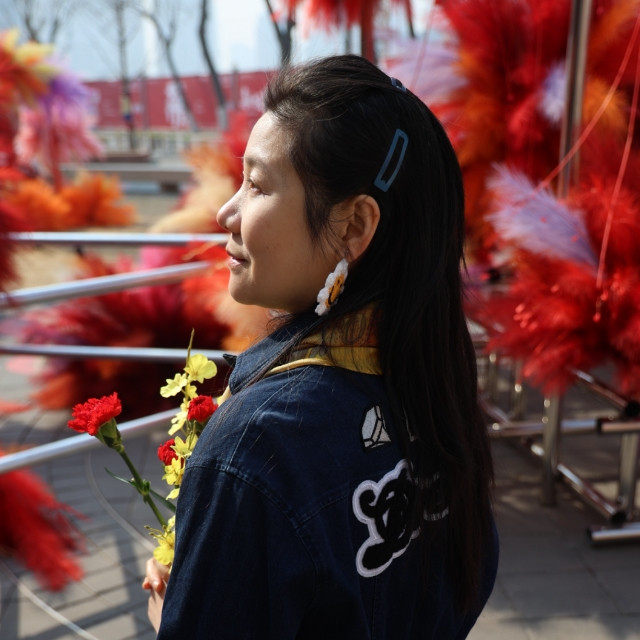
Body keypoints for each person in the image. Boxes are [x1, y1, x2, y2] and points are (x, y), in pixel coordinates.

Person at [143, 54, 498, 639]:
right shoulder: (435, 377)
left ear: (355, 226)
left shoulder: (258, 446)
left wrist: (172, 610)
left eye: (257, 184)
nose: (226, 211)